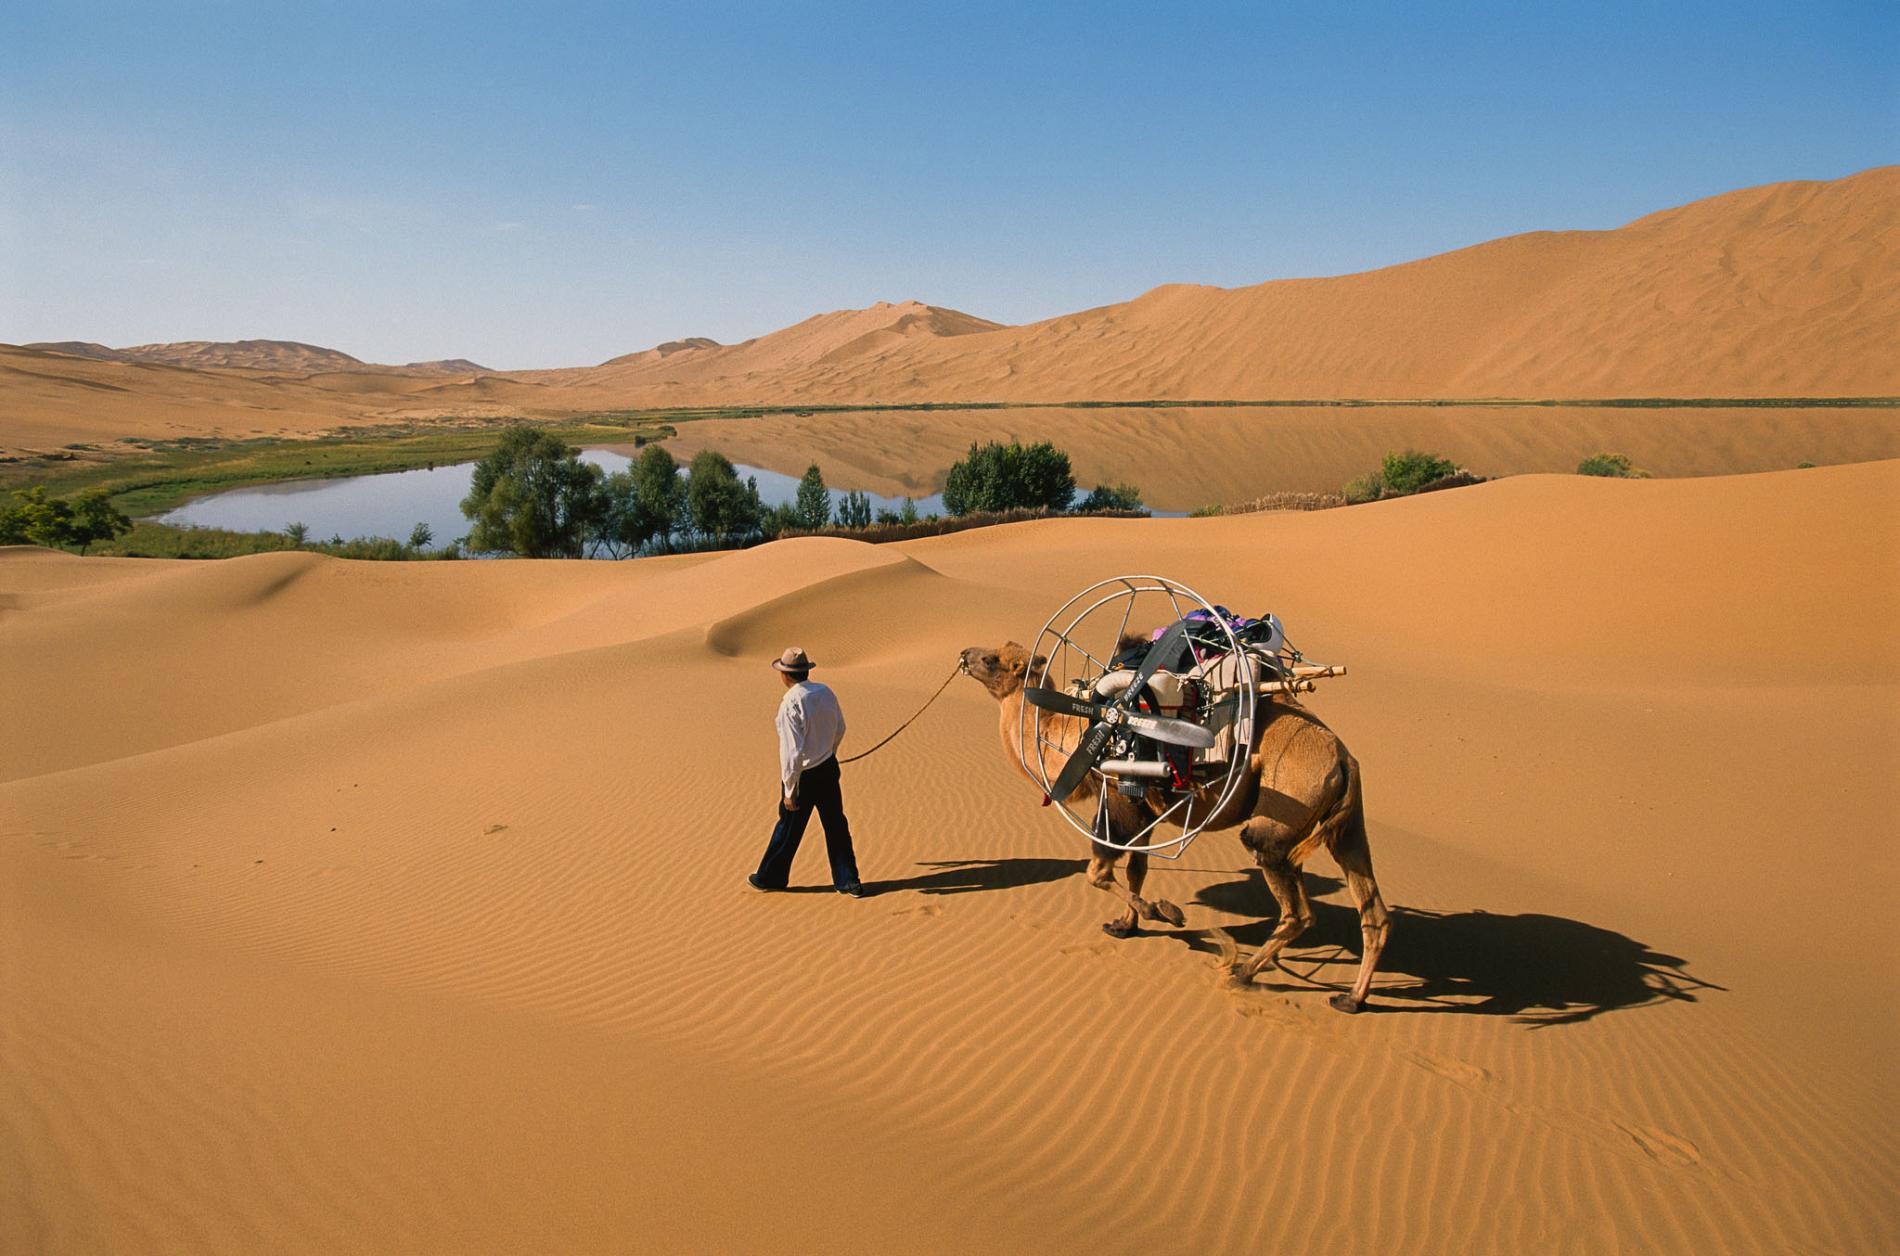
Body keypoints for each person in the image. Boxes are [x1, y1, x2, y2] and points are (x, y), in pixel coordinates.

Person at [749, 646, 867, 897]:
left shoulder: (790, 703)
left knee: (788, 828)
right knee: (836, 825)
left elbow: (791, 753)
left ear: (786, 675)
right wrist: (830, 754)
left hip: (804, 776)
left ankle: (770, 878)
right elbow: (840, 727)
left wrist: (790, 790)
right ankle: (848, 881)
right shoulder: (825, 692)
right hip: (827, 769)